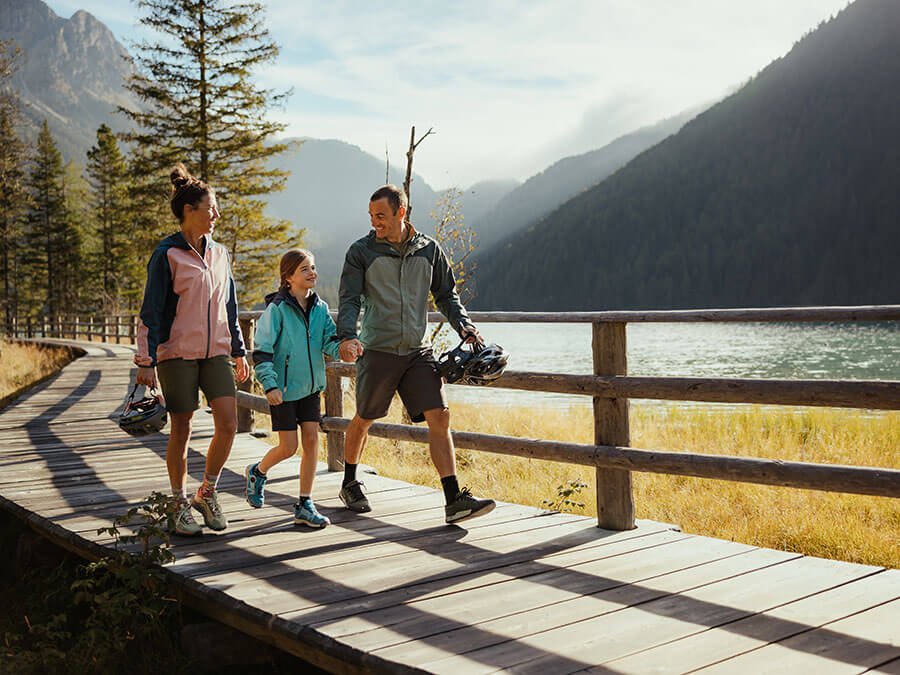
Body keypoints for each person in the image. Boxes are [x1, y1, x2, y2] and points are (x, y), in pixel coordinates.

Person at [336, 184, 495, 524]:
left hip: (418, 352)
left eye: (381, 215)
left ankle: (454, 499)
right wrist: (347, 337)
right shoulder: (361, 251)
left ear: (401, 212)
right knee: (364, 418)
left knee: (440, 416)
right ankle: (349, 482)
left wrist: (464, 326)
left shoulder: (429, 250)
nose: (375, 222)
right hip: (377, 349)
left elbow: (447, 296)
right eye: (371, 216)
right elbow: (349, 298)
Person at [134, 163, 250, 536]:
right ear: (189, 210)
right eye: (210, 208)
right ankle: (178, 503)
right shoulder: (167, 254)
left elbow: (229, 306)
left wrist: (239, 350)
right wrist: (146, 361)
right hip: (177, 354)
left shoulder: (220, 253)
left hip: (216, 352)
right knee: (181, 428)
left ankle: (207, 492)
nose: (216, 214)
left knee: (228, 424)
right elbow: (151, 312)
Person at [244, 249, 340, 528]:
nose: (313, 273)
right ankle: (258, 471)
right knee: (288, 447)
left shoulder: (320, 308)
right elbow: (262, 350)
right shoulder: (277, 310)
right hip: (283, 390)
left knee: (311, 441)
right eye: (305, 269)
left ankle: (305, 503)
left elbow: (329, 342)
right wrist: (269, 385)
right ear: (288, 277)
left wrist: (346, 349)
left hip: (310, 388)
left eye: (313, 267)